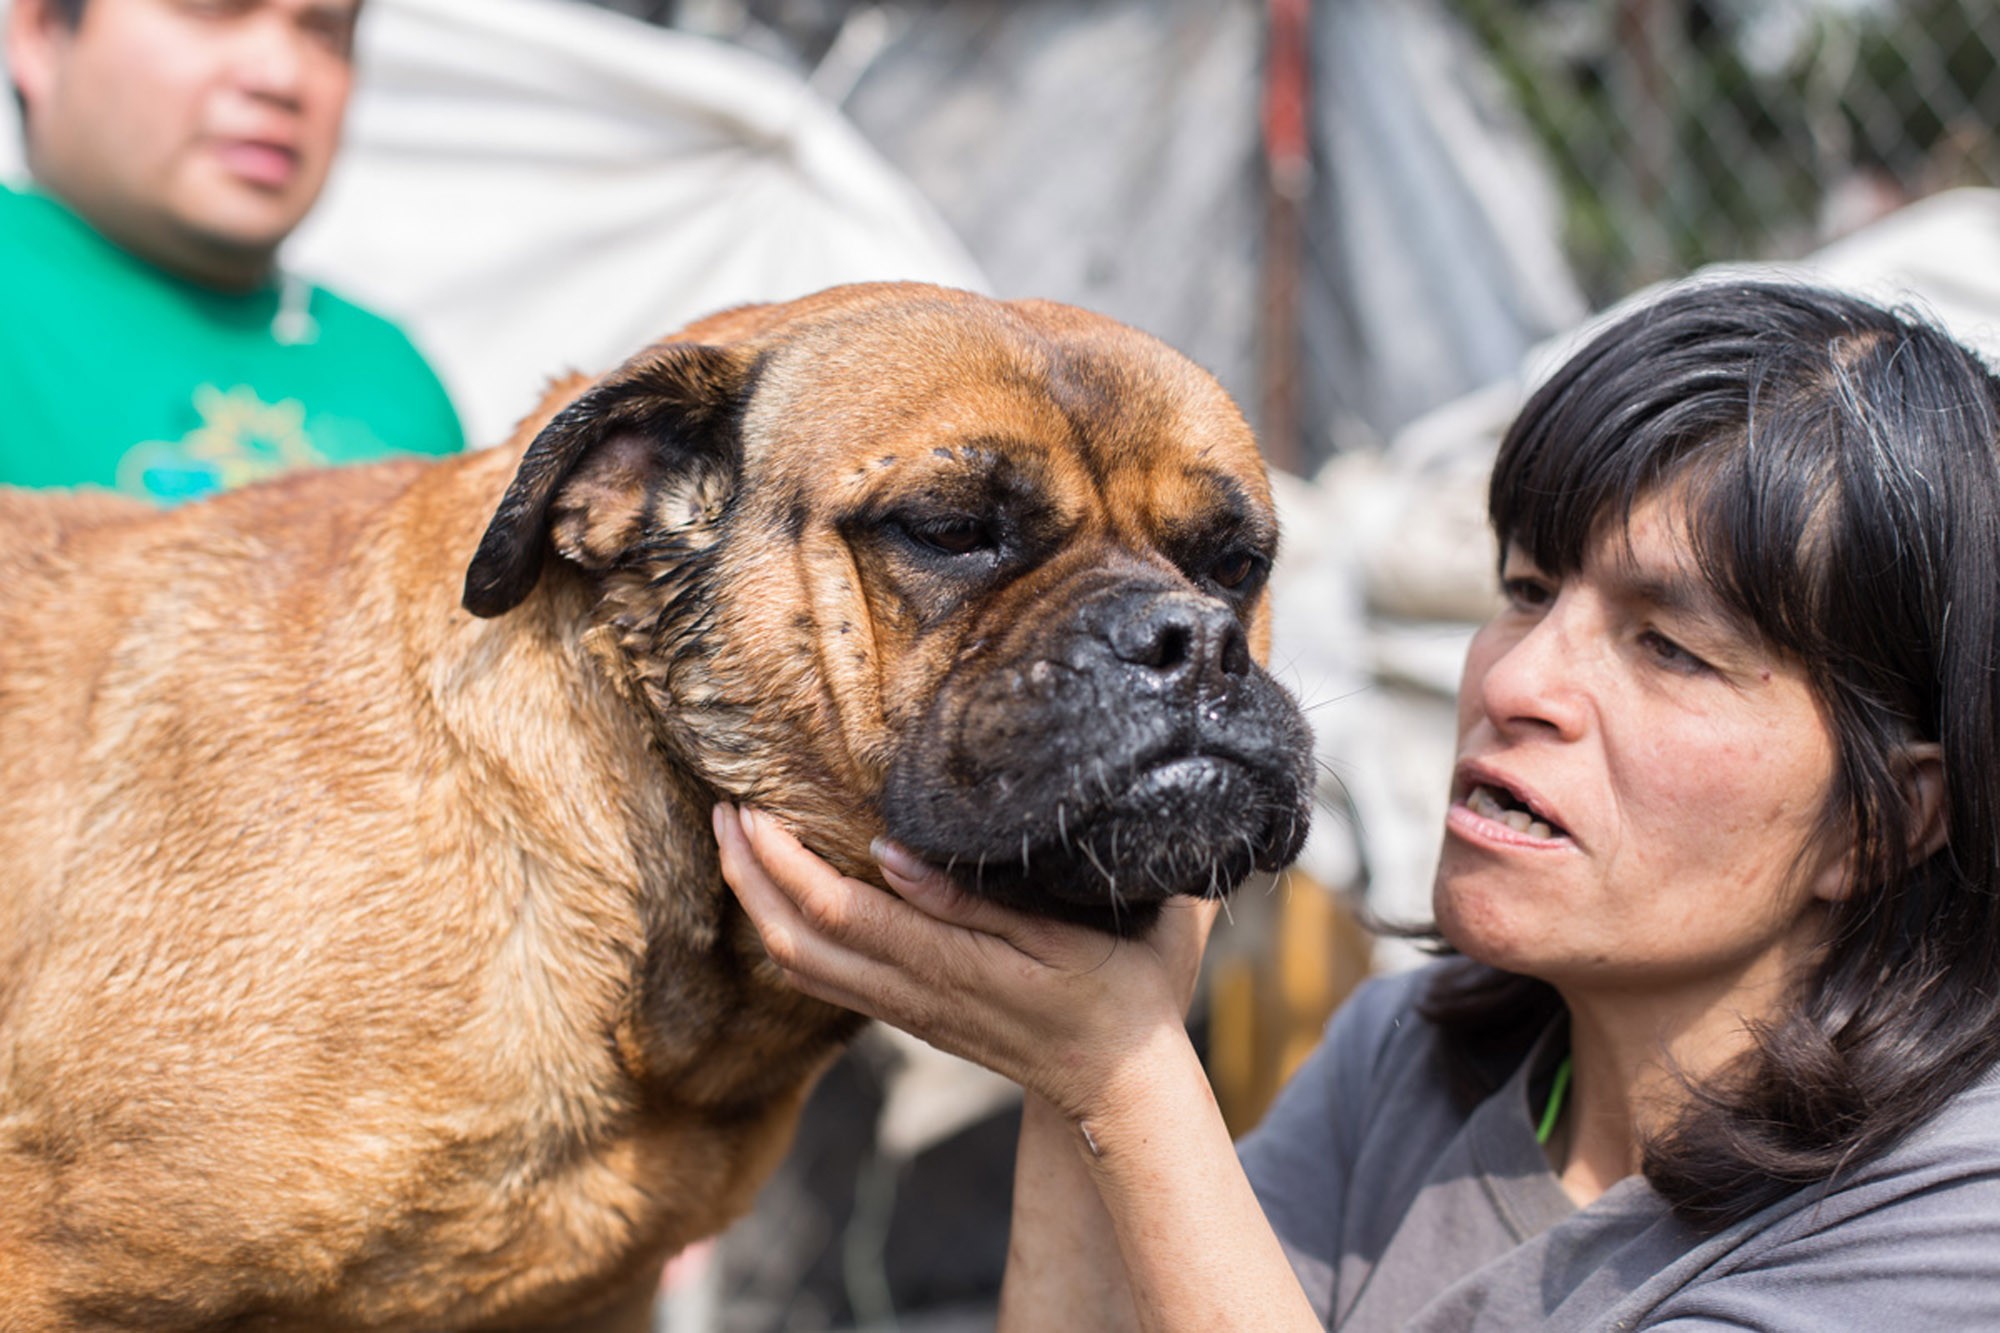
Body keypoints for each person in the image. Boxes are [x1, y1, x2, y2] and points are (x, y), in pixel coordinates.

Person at [713, 278, 2000, 1329]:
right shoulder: (1409, 1060)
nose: (1518, 681)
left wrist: (1119, 1073)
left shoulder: (1949, 1226)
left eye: (1669, 648)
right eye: (1526, 590)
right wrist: (1082, 1014)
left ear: (1881, 818)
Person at [1, 0, 463, 502]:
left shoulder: (394, 379)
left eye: (327, 32)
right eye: (213, 9)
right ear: (44, 30)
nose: (283, 76)